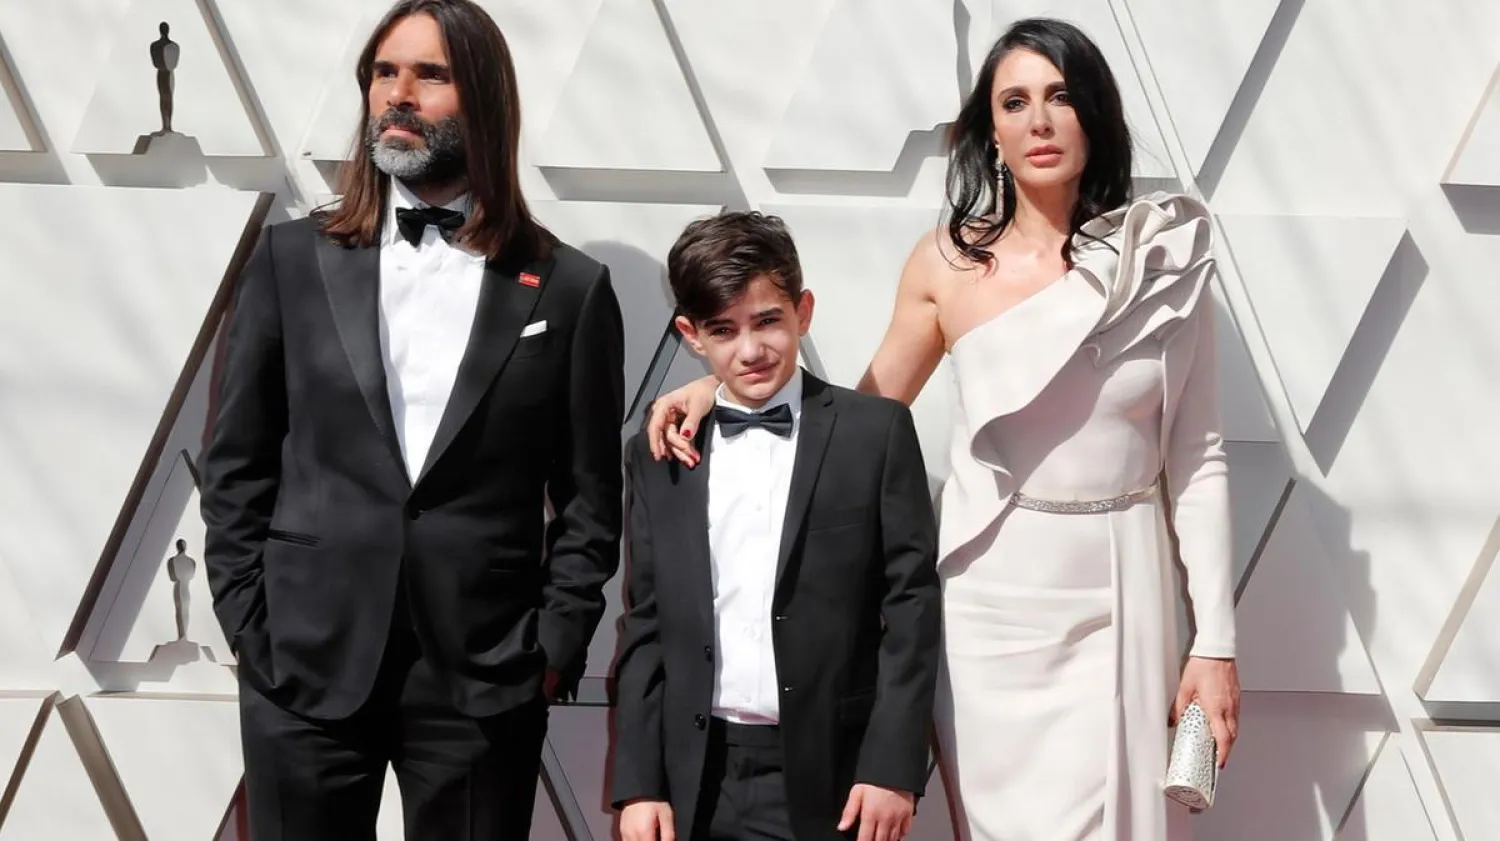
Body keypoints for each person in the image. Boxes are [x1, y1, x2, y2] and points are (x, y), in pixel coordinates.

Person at [645, 18, 1240, 841]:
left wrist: (1217, 640)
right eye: (1015, 102)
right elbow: (849, 419)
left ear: (1095, 115)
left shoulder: (1162, 259)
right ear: (989, 131)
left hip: (1121, 587)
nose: (1039, 121)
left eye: (1061, 97)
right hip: (986, 604)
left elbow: (1199, 457)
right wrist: (726, 391)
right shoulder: (944, 265)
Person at [198, 1, 624, 838]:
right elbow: (235, 461)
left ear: (485, 99)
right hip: (304, 660)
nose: (398, 93)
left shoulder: (570, 289)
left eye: (429, 74)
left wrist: (551, 646)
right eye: (384, 73)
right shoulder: (292, 260)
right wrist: (252, 624)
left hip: (485, 672)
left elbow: (588, 498)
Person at [613, 211, 942, 841]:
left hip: (837, 777)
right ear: (691, 334)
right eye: (723, 330)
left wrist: (892, 766)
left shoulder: (874, 434)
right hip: (695, 776)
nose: (752, 349)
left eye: (768, 320)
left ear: (803, 311)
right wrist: (640, 781)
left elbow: (912, 608)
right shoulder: (662, 451)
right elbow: (647, 621)